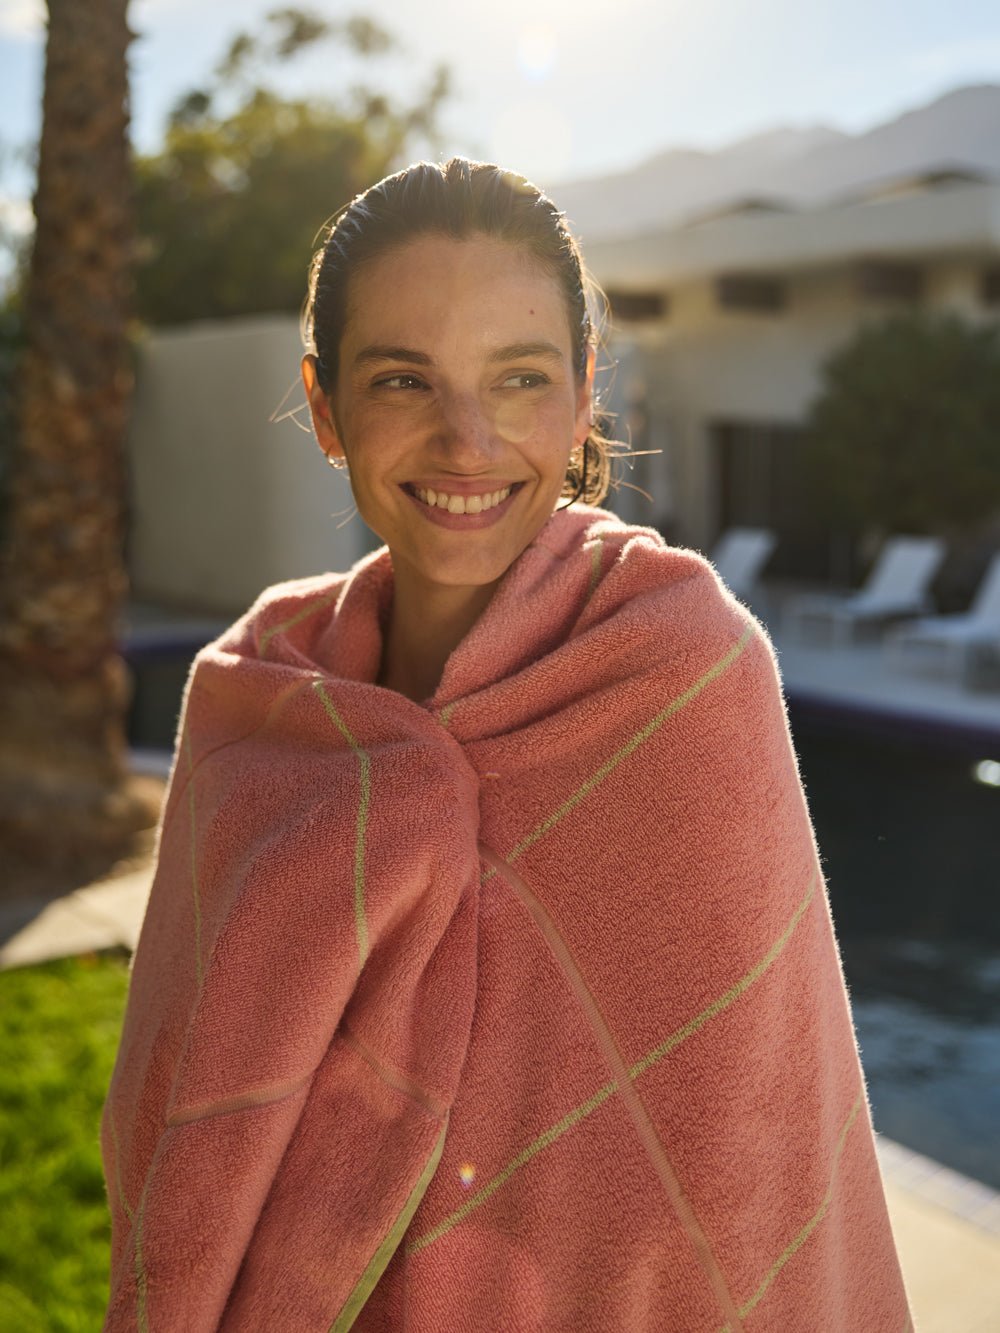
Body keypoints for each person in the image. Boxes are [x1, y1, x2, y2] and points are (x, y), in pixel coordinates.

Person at [101, 158, 911, 1331]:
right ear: (326, 407)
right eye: (402, 380)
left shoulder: (684, 678)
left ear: (583, 397)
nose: (466, 440)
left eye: (518, 377)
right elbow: (172, 1096)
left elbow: (740, 1148)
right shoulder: (257, 701)